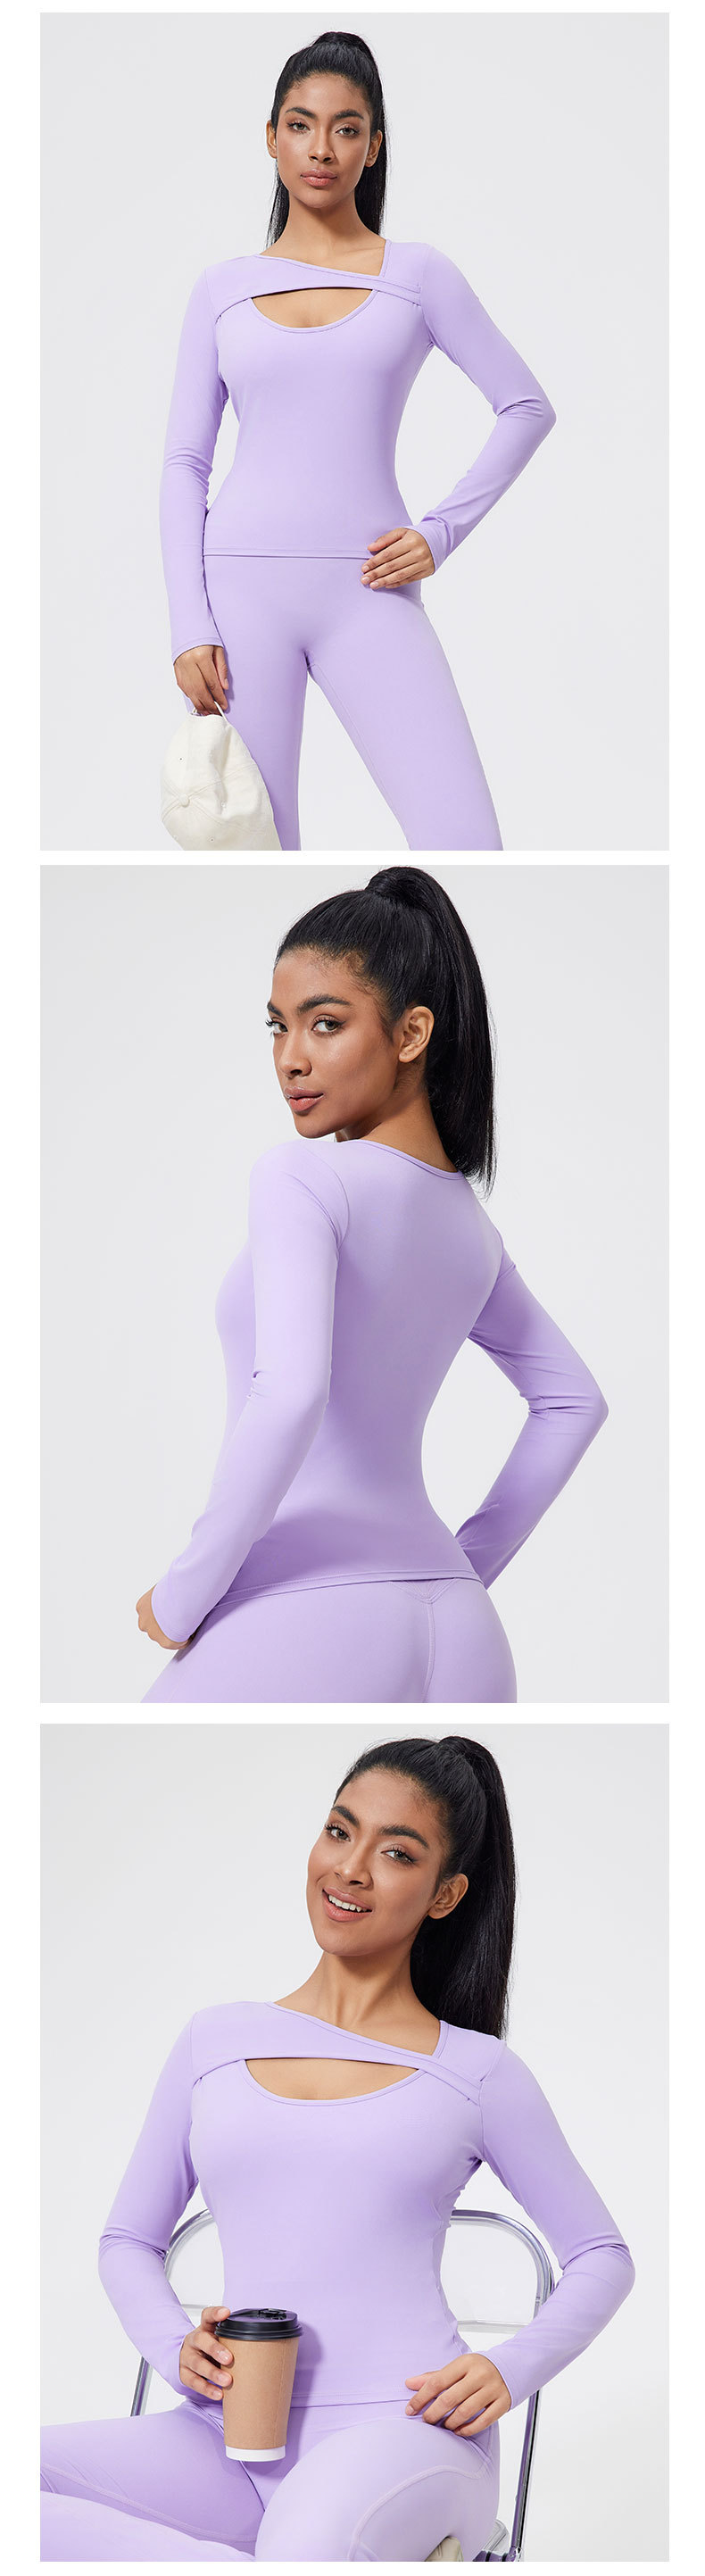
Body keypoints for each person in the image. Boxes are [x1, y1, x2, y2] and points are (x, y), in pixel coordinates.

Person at [41, 1735, 635, 2560]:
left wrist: (511, 2368)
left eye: (396, 1852)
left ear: (445, 1894)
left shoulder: (476, 2072)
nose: (350, 1868)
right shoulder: (213, 2042)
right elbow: (126, 2240)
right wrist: (176, 2352)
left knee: (305, 2546)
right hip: (227, 2435)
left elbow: (602, 2254)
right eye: (338, 1831)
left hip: (410, 2433)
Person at [136, 868, 607, 1706]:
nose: (290, 1058)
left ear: (412, 1032)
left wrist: (182, 1596)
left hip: (306, 1608)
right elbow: (575, 1402)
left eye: (326, 1024)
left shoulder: (302, 1178)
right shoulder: (472, 1230)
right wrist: (460, 1569)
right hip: (465, 1632)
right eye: (278, 1026)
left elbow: (289, 1395)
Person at [160, 29, 556, 852]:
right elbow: (185, 464)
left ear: (373, 147)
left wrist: (440, 535)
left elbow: (525, 405)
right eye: (301, 125)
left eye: (346, 129)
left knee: (466, 846)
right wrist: (189, 622)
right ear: (271, 137)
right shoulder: (221, 289)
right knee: (254, 854)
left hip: (369, 588)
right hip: (239, 593)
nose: (322, 149)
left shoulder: (418, 275)